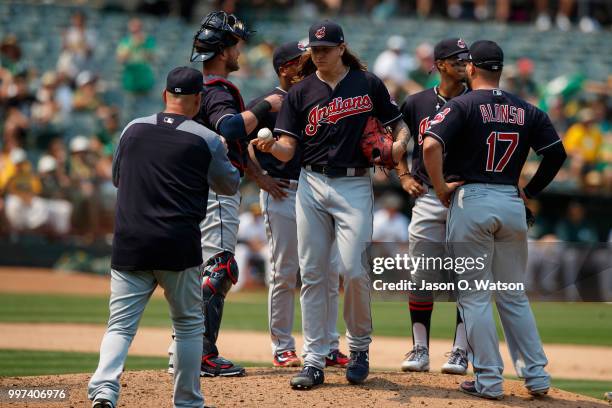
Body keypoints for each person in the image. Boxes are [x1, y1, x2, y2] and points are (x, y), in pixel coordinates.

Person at [252, 20, 411, 389]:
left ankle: (358, 348)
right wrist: (272, 147)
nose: (318, 54)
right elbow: (289, 147)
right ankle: (314, 359)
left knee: (354, 269)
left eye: (324, 48)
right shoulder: (300, 92)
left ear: (342, 48)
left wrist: (400, 148)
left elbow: (399, 126)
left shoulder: (367, 83)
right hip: (311, 181)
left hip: (355, 182)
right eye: (314, 49)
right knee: (312, 272)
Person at [87, 67, 239, 408]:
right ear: (199, 100)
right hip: (178, 243)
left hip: (131, 240)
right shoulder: (207, 139)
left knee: (120, 326)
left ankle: (103, 391)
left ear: (165, 96)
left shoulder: (131, 128)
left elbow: (116, 177)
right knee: (187, 325)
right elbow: (229, 186)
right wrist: (221, 152)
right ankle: (187, 401)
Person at [422, 40, 567, 400]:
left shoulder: (462, 105)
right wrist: (529, 191)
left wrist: (440, 187)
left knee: (473, 296)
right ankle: (536, 377)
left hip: (472, 200)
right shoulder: (526, 109)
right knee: (514, 296)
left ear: (471, 68)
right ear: (500, 70)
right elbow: (556, 154)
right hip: (509, 200)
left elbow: (429, 145)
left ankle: (488, 381)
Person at [167, 11, 284, 378]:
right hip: (214, 192)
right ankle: (201, 354)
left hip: (193, 189)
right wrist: (268, 104)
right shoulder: (218, 89)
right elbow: (230, 127)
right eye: (236, 45)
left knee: (198, 272)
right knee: (219, 268)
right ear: (222, 50)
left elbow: (225, 144)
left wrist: (258, 175)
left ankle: (182, 352)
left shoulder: (200, 90)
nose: (240, 52)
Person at [245, 41, 349, 369]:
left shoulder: (316, 95)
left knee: (329, 272)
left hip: (319, 190)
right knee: (284, 272)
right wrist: (259, 177)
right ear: (284, 68)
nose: (307, 63)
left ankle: (329, 345)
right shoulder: (268, 102)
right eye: (300, 60)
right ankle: (282, 346)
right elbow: (238, 142)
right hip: (283, 192)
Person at [399, 38, 470, 375]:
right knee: (421, 275)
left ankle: (460, 351)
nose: (464, 63)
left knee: (469, 278)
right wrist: (402, 176)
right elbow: (394, 140)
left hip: (468, 195)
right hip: (428, 194)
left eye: (467, 59)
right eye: (457, 59)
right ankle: (419, 348)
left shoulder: (477, 100)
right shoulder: (416, 102)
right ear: (440, 63)